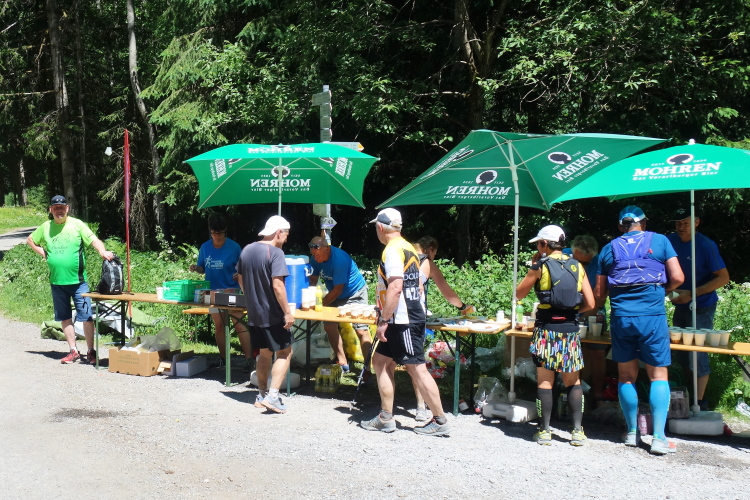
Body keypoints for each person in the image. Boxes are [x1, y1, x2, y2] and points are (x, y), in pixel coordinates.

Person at [597, 206, 684, 455]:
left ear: (620, 227)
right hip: (652, 317)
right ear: (643, 223)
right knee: (658, 375)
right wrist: (662, 291)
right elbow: (678, 277)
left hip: (622, 318)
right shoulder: (660, 241)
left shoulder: (608, 249)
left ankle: (632, 433)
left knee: (626, 376)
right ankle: (658, 438)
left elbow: (600, 293)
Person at [361, 208, 451, 436]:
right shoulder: (408, 247)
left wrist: (384, 320)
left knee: (416, 368)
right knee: (380, 361)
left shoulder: (392, 250)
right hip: (401, 318)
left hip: (403, 320)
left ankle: (440, 420)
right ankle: (385, 417)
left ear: (380, 227)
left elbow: (395, 287)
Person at [516, 225, 594, 446]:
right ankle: (577, 431)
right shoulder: (578, 266)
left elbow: (519, 294)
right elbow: (590, 303)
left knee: (545, 381)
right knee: (573, 381)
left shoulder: (540, 266)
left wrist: (533, 266)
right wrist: (571, 313)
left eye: (539, 244)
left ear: (544, 244)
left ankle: (544, 431)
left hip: (546, 330)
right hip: (570, 331)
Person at [26, 195, 114, 364]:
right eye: (55, 208)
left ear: (67, 208)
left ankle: (91, 351)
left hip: (79, 283)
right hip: (57, 282)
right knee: (64, 317)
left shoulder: (77, 225)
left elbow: (94, 240)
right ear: (51, 210)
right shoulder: (46, 227)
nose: (59, 210)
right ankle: (73, 351)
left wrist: (102, 251)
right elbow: (30, 240)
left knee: (86, 316)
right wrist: (43, 253)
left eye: (62, 207)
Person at [667, 207, 730, 411]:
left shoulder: (705, 245)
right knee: (682, 352)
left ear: (696, 222)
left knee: (698, 353)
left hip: (702, 305)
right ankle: (689, 394)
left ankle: (700, 402)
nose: (681, 227)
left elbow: (723, 278)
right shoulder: (670, 241)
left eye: (686, 223)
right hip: (680, 303)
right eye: (678, 223)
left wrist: (693, 293)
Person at [411, 236, 474, 422]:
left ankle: (386, 409)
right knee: (417, 364)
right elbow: (447, 291)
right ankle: (422, 407)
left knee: (385, 362)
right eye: (434, 254)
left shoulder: (402, 256)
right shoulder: (426, 262)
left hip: (393, 315)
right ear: (430, 249)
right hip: (414, 317)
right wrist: (463, 307)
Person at [236, 215, 295, 413]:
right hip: (272, 314)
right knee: (285, 352)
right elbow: (278, 285)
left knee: (264, 353)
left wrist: (251, 298)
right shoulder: (276, 253)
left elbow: (240, 278)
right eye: (286, 234)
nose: (286, 238)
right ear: (278, 232)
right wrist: (287, 312)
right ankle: (273, 397)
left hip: (254, 314)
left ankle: (261, 395)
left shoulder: (247, 249)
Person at [189, 214, 252, 371]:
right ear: (210, 231)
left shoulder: (234, 247)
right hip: (211, 292)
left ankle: (249, 360)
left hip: (232, 290)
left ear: (225, 231)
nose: (217, 236)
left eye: (220, 233)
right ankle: (223, 359)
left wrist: (239, 275)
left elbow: (243, 269)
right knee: (219, 325)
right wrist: (196, 268)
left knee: (239, 325)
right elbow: (203, 268)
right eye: (214, 233)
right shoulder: (205, 247)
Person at [308, 236, 371, 372]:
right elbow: (313, 280)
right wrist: (309, 298)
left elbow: (338, 290)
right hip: (334, 292)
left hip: (354, 293)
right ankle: (342, 362)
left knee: (361, 330)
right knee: (329, 326)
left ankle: (367, 369)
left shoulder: (339, 260)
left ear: (327, 249)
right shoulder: (315, 258)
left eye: (318, 256)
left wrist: (320, 304)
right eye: (313, 255)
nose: (316, 258)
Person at [570, 235, 608, 408]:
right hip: (571, 310)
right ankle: (574, 393)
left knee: (598, 353)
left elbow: (600, 298)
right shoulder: (564, 255)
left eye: (586, 262)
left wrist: (583, 316)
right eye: (579, 261)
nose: (582, 266)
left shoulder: (600, 262)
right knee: (573, 352)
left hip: (594, 312)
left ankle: (598, 395)